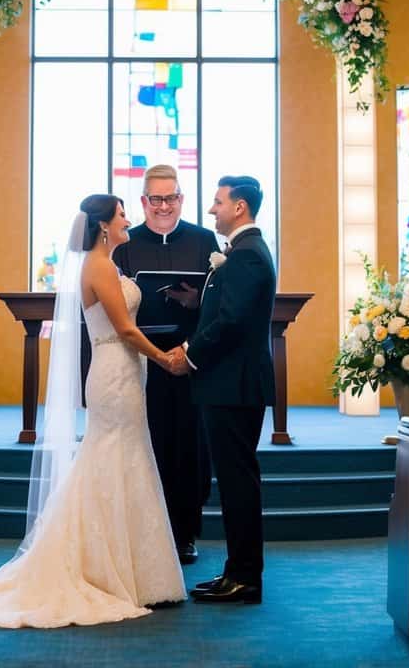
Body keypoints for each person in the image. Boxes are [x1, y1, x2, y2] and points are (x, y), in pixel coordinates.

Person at [0, 193, 186, 629]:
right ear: (103, 225)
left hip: (123, 371)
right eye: (122, 215)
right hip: (114, 371)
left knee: (125, 458)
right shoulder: (99, 267)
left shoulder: (107, 265)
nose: (128, 221)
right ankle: (103, 567)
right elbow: (123, 328)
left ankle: (131, 568)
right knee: (112, 457)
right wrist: (164, 359)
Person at [167, 176, 275, 605]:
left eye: (218, 202)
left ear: (240, 207)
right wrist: (199, 303)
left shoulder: (247, 255)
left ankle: (246, 577)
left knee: (237, 483)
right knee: (232, 482)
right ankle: (236, 570)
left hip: (234, 386)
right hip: (229, 384)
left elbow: (232, 323)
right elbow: (229, 310)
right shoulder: (242, 253)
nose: (212, 210)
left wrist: (188, 354)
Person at [113, 163, 218, 564]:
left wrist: (195, 302)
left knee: (188, 448)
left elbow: (217, 302)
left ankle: (184, 532)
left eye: (170, 198)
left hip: (189, 358)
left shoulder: (204, 239)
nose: (163, 206)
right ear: (143, 201)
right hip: (138, 361)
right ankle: (141, 531)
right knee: (146, 444)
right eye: (155, 199)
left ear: (181, 199)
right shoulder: (124, 242)